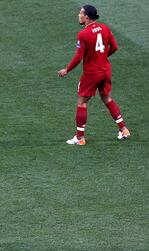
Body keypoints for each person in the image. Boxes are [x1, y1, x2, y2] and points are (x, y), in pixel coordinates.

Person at [58, 4, 130, 145]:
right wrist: (102, 57)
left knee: (82, 103)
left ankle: (80, 138)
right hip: (105, 71)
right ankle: (123, 129)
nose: (79, 15)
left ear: (87, 17)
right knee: (107, 99)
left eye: (81, 13)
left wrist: (66, 70)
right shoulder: (105, 28)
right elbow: (114, 47)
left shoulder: (83, 34)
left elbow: (79, 57)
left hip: (92, 74)